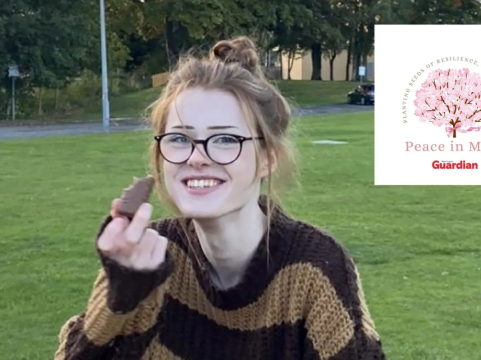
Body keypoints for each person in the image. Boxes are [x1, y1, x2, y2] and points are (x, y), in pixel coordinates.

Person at [54, 36, 386, 360]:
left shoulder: (315, 269)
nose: (196, 157)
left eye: (225, 139)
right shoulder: (145, 259)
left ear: (267, 158)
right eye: (180, 139)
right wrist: (119, 294)